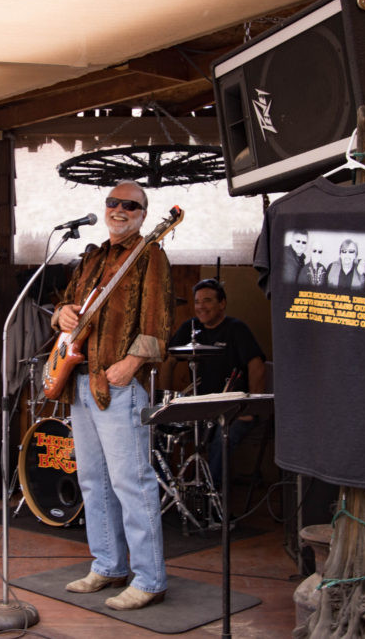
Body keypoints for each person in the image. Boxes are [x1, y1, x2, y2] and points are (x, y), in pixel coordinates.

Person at [52, 180, 172, 611]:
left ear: (142, 213)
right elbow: (68, 309)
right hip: (79, 379)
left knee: (131, 482)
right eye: (113, 202)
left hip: (116, 382)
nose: (119, 209)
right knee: (93, 480)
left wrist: (133, 364)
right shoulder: (92, 256)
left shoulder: (150, 254)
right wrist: (60, 315)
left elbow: (159, 319)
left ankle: (150, 577)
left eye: (130, 205)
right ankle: (107, 564)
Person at [164, 278, 266, 489]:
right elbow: (169, 360)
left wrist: (252, 408)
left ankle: (214, 498)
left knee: (222, 438)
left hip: (234, 409)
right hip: (201, 409)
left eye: (208, 300)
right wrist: (163, 397)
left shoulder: (237, 329)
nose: (201, 306)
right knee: (157, 429)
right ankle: (169, 492)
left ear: (222, 303)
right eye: (198, 301)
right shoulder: (190, 327)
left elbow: (256, 366)